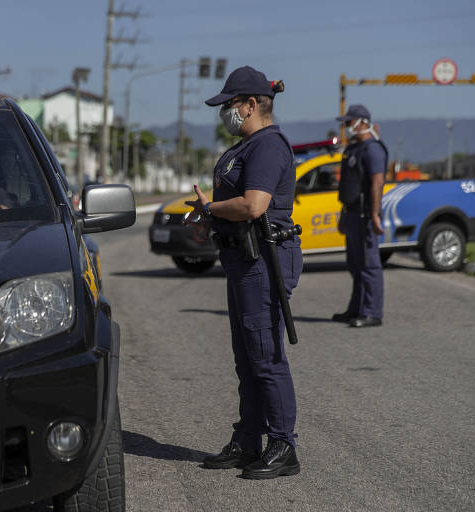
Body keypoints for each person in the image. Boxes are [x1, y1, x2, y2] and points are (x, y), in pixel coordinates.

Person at [185, 66, 302, 479]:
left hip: (264, 262)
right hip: (241, 260)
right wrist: (210, 221)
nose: (225, 114)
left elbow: (254, 206)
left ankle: (283, 445)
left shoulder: (267, 146)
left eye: (229, 105)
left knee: (265, 356)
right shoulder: (245, 147)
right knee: (247, 358)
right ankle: (249, 439)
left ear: (251, 105)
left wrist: (209, 209)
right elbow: (236, 208)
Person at [332, 105, 387, 328]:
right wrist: (343, 215)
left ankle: (372, 312)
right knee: (355, 264)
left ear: (362, 121)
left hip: (365, 214)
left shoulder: (373, 149)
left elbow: (377, 182)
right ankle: (356, 308)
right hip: (352, 213)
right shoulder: (354, 149)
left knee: (369, 264)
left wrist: (374, 214)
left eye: (349, 122)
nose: (346, 127)